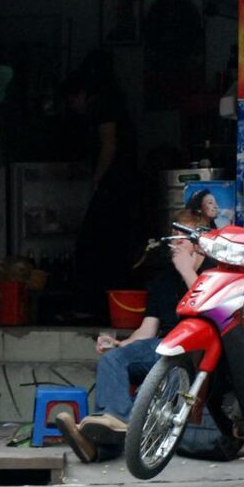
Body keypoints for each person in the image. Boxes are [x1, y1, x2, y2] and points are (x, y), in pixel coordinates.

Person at [56, 211, 214, 463]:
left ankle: (100, 448)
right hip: (163, 347)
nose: (175, 243)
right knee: (113, 360)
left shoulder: (213, 273)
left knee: (168, 378)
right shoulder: (163, 280)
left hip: (200, 354)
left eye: (182, 237)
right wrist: (120, 344)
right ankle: (112, 425)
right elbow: (147, 329)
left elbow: (210, 311)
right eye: (173, 236)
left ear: (200, 242)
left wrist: (187, 271)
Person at [61, 53, 139, 320]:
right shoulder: (115, 104)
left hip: (114, 186)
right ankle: (108, 307)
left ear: (82, 94)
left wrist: (97, 178)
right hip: (122, 186)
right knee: (111, 245)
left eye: (72, 100)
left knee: (93, 245)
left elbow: (109, 144)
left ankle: (91, 307)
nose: (73, 107)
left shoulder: (104, 107)